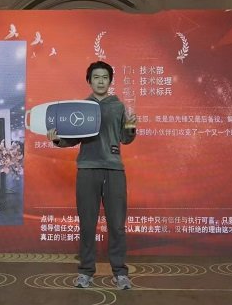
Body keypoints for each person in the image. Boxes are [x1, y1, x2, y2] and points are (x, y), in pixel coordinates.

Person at [47, 61, 137, 290]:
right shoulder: (82, 107)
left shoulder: (119, 107)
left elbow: (125, 139)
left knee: (117, 225)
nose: (100, 81)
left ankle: (120, 273)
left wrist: (131, 128)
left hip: (114, 170)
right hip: (87, 169)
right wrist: (57, 139)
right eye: (96, 77)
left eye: (105, 77)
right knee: (87, 225)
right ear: (89, 81)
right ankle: (86, 271)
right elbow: (72, 139)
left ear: (110, 81)